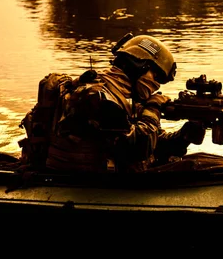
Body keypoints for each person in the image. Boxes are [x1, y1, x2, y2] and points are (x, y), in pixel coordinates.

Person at [19, 34, 205, 173]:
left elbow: (153, 142)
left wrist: (184, 136)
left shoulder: (121, 97)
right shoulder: (98, 98)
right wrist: (153, 108)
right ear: (138, 66)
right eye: (156, 77)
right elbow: (136, 148)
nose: (156, 86)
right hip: (87, 187)